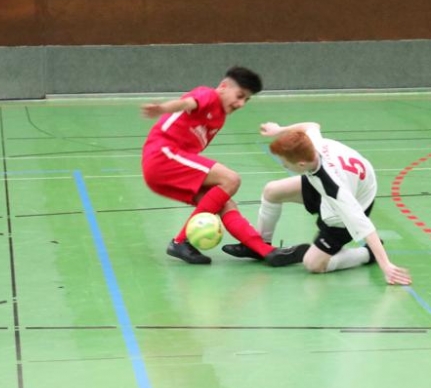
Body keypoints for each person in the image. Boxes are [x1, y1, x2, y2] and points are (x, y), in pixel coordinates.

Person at [141, 66, 302, 266]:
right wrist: (163, 109)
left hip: (165, 171)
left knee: (225, 204)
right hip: (162, 155)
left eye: (246, 100)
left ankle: (265, 251)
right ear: (224, 86)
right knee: (230, 179)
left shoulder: (220, 117)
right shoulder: (208, 95)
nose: (241, 104)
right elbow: (187, 103)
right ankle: (181, 241)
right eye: (240, 96)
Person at [222, 121, 412, 285]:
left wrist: (386, 265)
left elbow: (362, 224)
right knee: (272, 191)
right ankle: (260, 246)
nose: (283, 166)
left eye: (285, 164)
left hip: (347, 208)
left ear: (301, 165)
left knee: (313, 264)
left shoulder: (335, 189)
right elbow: (312, 125)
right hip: (338, 183)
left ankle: (366, 254)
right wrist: (280, 130)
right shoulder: (313, 145)